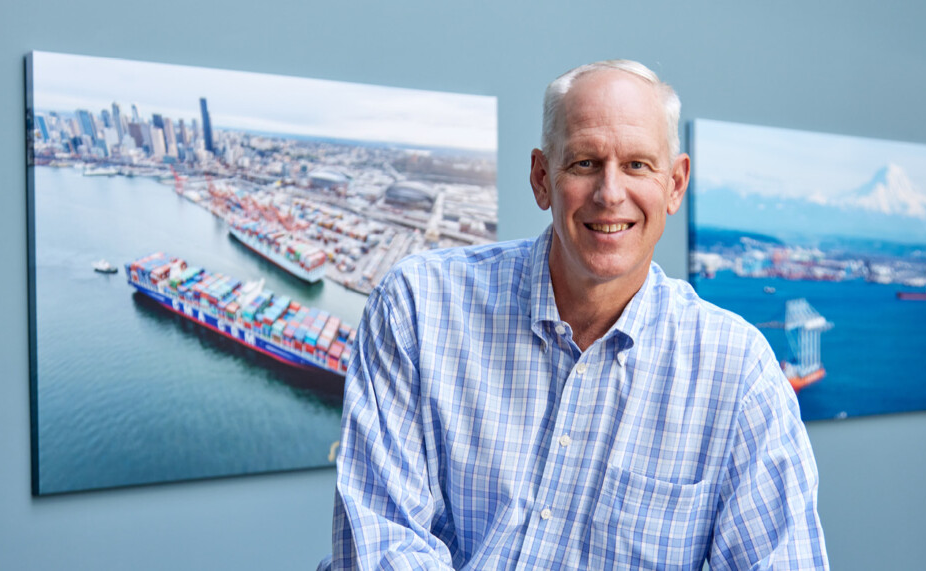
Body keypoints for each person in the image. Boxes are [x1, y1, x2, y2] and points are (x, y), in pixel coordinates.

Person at [324, 59, 828, 570]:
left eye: (637, 165)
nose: (610, 194)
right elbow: (382, 548)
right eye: (585, 163)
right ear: (542, 179)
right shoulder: (418, 305)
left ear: (675, 184)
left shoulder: (738, 374)